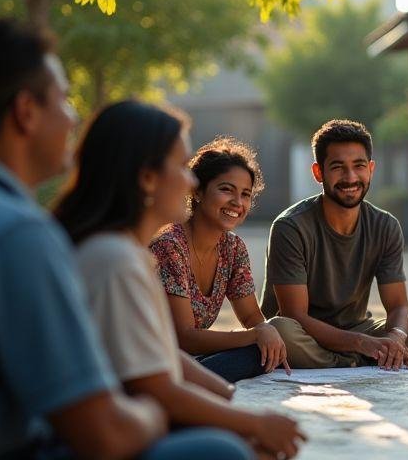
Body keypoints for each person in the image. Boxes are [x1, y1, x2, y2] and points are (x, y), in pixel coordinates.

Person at [0, 19, 241, 459]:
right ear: (26, 111)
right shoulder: (14, 232)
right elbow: (105, 434)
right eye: (62, 100)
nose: (74, 117)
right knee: (216, 451)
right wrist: (159, 412)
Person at [55, 100, 306, 459]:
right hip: (110, 422)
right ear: (146, 177)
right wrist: (249, 424)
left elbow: (169, 357)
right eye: (182, 167)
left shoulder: (133, 254)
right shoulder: (122, 257)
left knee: (262, 352)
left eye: (246, 194)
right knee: (227, 449)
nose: (189, 181)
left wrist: (227, 397)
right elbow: (159, 376)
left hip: (148, 389)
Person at [260, 119, 408, 369]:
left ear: (370, 168)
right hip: (306, 335)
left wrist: (395, 337)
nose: (350, 177)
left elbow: (398, 306)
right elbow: (294, 316)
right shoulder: (291, 227)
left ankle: (343, 363)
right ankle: (361, 361)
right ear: (319, 172)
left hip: (357, 329)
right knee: (280, 329)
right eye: (338, 167)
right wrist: (362, 344)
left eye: (359, 166)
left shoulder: (385, 225)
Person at [150, 137, 288, 383]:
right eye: (226, 189)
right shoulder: (169, 245)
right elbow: (184, 337)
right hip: (156, 362)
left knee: (262, 351)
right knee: (255, 348)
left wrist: (266, 332)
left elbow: (251, 318)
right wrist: (255, 335)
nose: (237, 202)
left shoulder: (232, 248)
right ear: (198, 191)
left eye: (246, 194)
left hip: (193, 361)